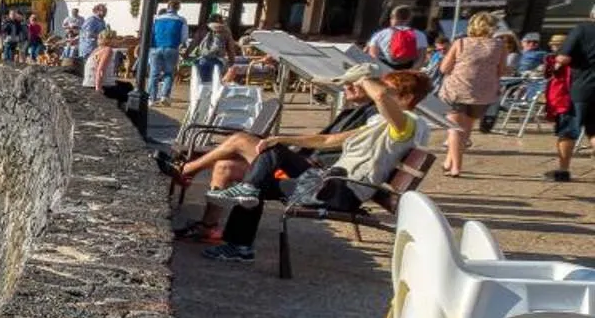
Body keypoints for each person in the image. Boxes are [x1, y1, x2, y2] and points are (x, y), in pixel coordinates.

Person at [165, 70, 434, 260]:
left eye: (388, 92)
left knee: (269, 157)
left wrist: (365, 78)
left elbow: (382, 99)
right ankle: (239, 246)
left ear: (407, 99)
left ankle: (201, 179)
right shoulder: (384, 123)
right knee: (262, 175)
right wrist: (284, 137)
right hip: (326, 183)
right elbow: (329, 139)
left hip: (340, 191)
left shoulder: (406, 124)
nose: (377, 94)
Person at [438, 12, 506, 178]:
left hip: (456, 90)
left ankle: (456, 167)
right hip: (482, 94)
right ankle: (449, 162)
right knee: (466, 129)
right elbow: (501, 71)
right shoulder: (499, 45)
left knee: (454, 129)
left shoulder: (460, 43)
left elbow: (444, 69)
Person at [549, 17, 595, 182]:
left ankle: (563, 170)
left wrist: (555, 66)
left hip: (581, 87)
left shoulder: (582, 29)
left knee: (568, 131)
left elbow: (563, 58)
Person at [147, 4, 188, 103]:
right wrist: (181, 44)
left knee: (154, 74)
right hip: (171, 47)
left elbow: (151, 33)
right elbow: (184, 37)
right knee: (169, 73)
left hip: (156, 47)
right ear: (178, 8)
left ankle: (151, 98)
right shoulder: (181, 20)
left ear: (168, 7)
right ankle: (164, 96)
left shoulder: (157, 19)